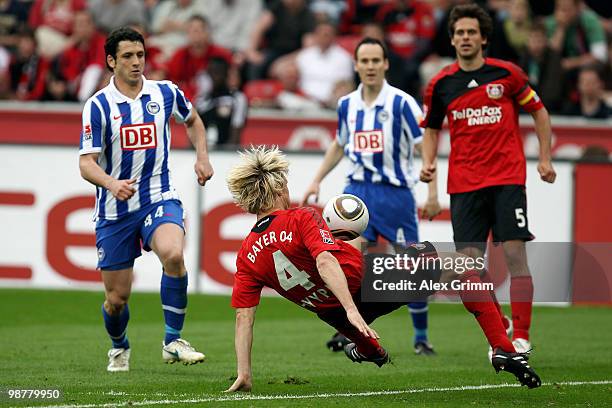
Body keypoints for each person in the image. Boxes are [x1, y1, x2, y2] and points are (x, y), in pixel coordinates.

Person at [224, 146, 541, 392]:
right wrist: (351, 308)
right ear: (279, 191)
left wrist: (245, 373)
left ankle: (366, 350)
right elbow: (324, 261)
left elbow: (243, 318)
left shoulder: (246, 256)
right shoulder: (300, 217)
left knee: (374, 350)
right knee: (462, 264)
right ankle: (502, 347)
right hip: (367, 285)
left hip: (329, 311)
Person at [419, 4, 556, 359]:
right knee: (468, 265)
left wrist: (544, 157)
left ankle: (522, 336)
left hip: (507, 178)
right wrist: (430, 169)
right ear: (451, 39)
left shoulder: (506, 75)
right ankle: (501, 328)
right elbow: (431, 129)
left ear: (483, 38)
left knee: (514, 254)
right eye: (459, 33)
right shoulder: (441, 84)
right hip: (464, 184)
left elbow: (539, 112)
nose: (465, 38)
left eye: (470, 32)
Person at [78, 27, 214, 372]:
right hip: (115, 209)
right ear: (111, 61)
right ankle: (119, 345)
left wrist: (202, 157)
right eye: (127, 56)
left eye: (140, 55)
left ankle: (172, 341)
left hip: (159, 196)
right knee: (116, 300)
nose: (137, 62)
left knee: (173, 254)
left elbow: (194, 121)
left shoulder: (165, 93)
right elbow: (85, 163)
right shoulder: (98, 106)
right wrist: (111, 183)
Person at [301, 37, 441, 356]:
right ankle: (350, 330)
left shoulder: (402, 103)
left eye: (376, 60)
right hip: (356, 195)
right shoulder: (347, 104)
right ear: (356, 65)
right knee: (350, 263)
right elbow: (339, 143)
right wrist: (316, 180)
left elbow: (425, 146)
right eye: (364, 61)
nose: (370, 66)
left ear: (386, 64)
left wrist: (432, 191)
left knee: (412, 266)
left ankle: (421, 337)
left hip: (395, 196)